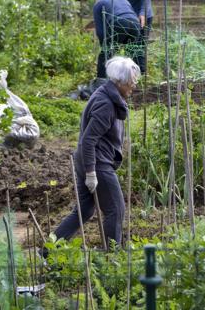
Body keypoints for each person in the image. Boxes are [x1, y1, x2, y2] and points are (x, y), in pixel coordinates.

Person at [54, 56, 140, 248]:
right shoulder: (106, 105)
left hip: (88, 160)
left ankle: (47, 250)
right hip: (97, 163)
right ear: (120, 82)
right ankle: (112, 254)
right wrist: (91, 172)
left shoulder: (107, 94)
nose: (134, 86)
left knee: (84, 211)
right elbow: (88, 140)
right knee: (116, 209)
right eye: (131, 82)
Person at [108, 0, 153, 74]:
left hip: (141, 16)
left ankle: (141, 75)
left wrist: (142, 14)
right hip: (126, 16)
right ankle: (130, 74)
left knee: (138, 47)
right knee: (128, 46)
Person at [92, 0, 141, 79]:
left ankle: (101, 81)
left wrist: (104, 46)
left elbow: (100, 32)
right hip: (135, 23)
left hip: (119, 22)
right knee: (131, 54)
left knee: (106, 55)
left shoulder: (97, 5)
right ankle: (133, 79)